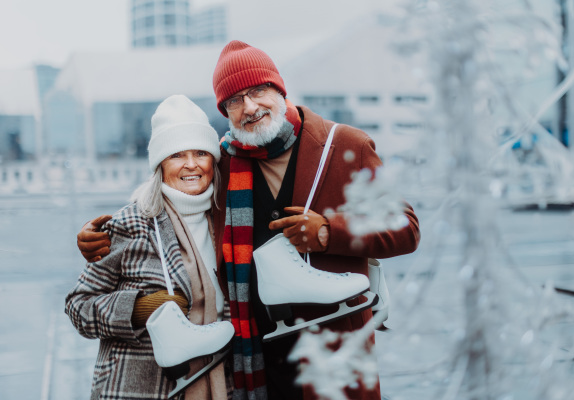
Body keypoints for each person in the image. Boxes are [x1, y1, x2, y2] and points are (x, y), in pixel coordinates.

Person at [77, 41, 421, 400]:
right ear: (225, 111)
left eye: (258, 91)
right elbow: (170, 201)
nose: (250, 107)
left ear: (279, 89)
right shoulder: (224, 162)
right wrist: (100, 237)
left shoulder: (344, 147)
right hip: (254, 356)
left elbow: (407, 229)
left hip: (334, 352)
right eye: (235, 100)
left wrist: (328, 234)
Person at [66, 95, 234, 400]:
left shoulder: (228, 222)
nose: (191, 164)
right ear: (160, 164)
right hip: (141, 388)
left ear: (214, 159)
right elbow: (78, 306)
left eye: (200, 152)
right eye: (177, 155)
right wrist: (137, 309)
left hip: (222, 383)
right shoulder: (133, 222)